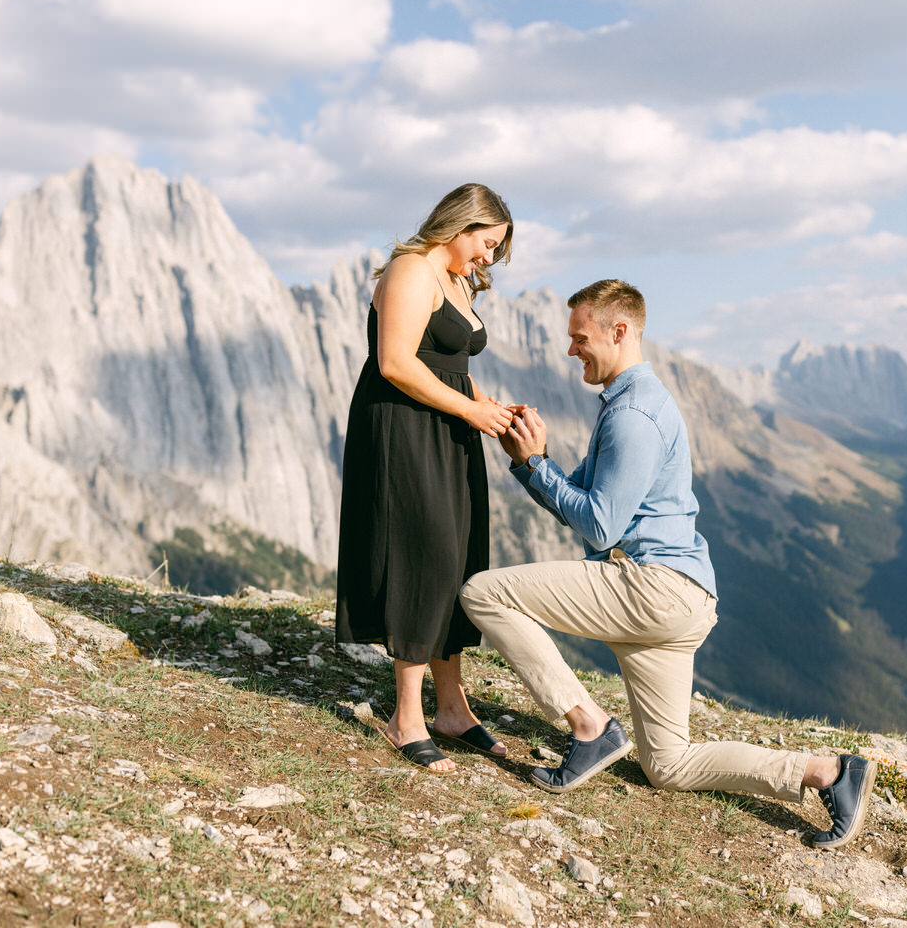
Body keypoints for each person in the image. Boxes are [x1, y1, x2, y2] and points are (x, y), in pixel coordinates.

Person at [460, 279, 873, 848]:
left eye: (580, 337)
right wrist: (536, 461)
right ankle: (828, 772)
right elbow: (581, 495)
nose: (571, 349)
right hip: (682, 598)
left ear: (619, 331)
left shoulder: (632, 415)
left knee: (484, 593)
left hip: (649, 587)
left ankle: (589, 727)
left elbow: (599, 525)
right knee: (669, 764)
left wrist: (535, 466)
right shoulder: (633, 404)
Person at [337, 183, 518, 773]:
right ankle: (406, 719)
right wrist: (470, 411)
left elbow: (451, 367)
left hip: (449, 427)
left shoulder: (458, 280)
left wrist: (490, 407)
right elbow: (394, 362)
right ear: (460, 225)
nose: (489, 258)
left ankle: (453, 710)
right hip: (405, 428)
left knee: (458, 557)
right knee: (425, 555)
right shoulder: (411, 269)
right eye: (487, 244)